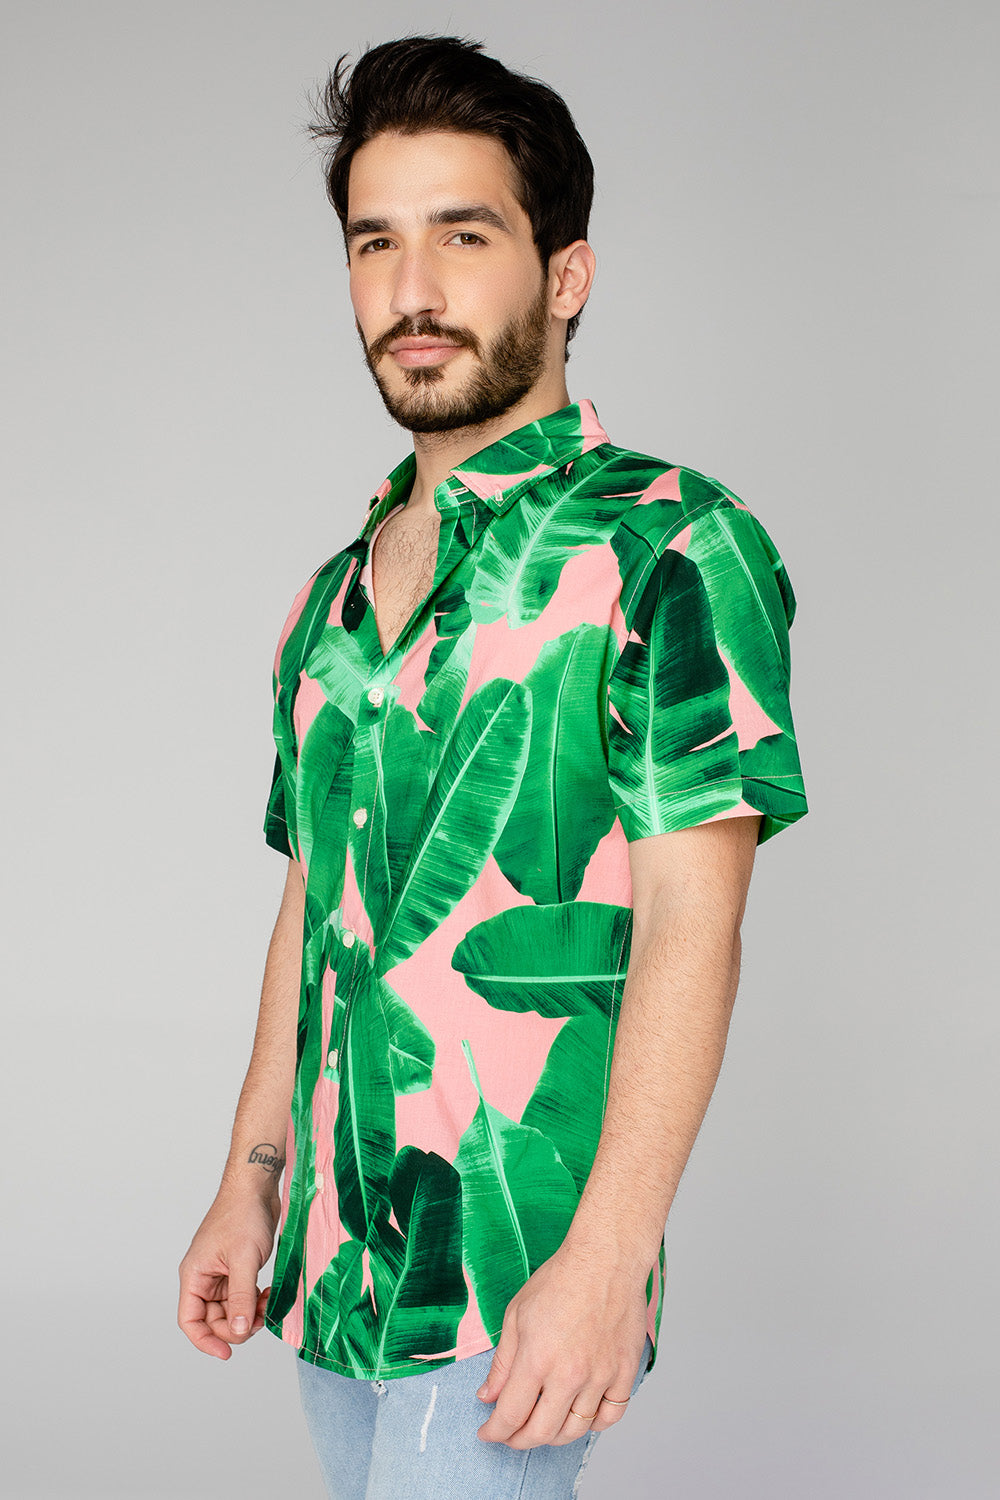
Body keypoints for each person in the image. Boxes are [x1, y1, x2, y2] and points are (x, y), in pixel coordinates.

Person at [177, 34, 809, 1499]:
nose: (413, 290)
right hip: (334, 1266)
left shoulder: (670, 543)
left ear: (563, 275)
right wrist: (250, 1180)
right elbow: (314, 905)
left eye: (463, 236)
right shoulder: (332, 600)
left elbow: (694, 922)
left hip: (512, 1276)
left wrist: (610, 1256)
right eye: (375, 243)